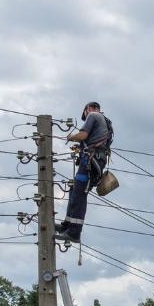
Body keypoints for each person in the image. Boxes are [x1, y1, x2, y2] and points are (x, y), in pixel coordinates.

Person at [55, 101, 110, 243]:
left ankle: (74, 233)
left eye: (85, 114)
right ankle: (66, 226)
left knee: (79, 194)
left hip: (90, 162)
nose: (86, 117)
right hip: (92, 160)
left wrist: (71, 137)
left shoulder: (93, 115)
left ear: (88, 109)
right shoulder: (105, 121)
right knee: (74, 189)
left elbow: (83, 135)